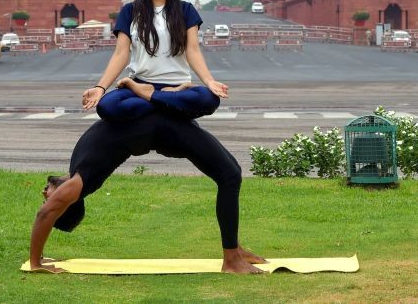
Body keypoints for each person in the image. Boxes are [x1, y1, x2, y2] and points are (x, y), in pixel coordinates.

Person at [28, 113, 267, 274]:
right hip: (164, 130)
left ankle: (234, 250)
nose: (44, 191)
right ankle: (231, 260)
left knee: (232, 171)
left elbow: (49, 210)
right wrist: (36, 262)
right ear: (65, 204)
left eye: (45, 193)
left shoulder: (77, 172)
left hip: (162, 123)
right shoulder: (79, 184)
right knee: (230, 176)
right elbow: (45, 214)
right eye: (47, 195)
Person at [82, 0, 228, 123]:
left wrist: (209, 81)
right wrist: (100, 87)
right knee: (107, 106)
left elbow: (193, 51)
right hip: (141, 83)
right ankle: (160, 99)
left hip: (178, 86)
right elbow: (121, 53)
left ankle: (150, 96)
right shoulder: (130, 11)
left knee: (208, 99)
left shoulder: (186, 10)